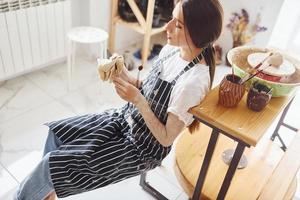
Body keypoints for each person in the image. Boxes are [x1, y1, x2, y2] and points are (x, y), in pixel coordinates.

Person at [15, 0, 223, 199]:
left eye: (177, 25)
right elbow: (149, 90)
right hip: (124, 119)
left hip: (141, 148)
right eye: (171, 18)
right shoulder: (171, 51)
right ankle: (44, 195)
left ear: (198, 34)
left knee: (51, 166)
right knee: (57, 134)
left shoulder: (193, 82)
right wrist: (123, 74)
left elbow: (167, 138)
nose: (166, 27)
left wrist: (138, 101)